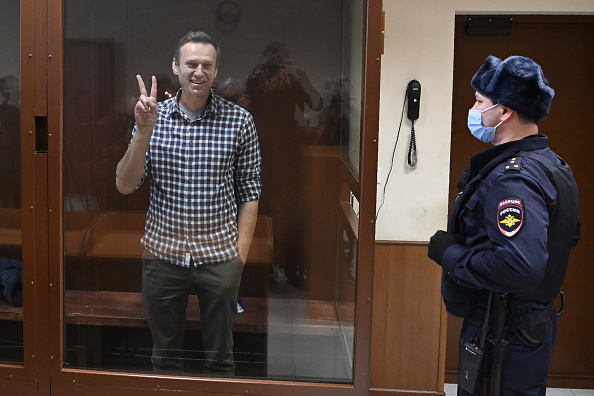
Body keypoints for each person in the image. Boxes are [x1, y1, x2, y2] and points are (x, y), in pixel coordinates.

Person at [427, 55, 580, 395]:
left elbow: (518, 265)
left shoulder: (515, 178)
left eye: (480, 101)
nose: (474, 108)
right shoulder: (551, 165)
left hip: (504, 329)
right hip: (524, 324)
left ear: (504, 111)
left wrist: (451, 254)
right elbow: (567, 235)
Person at [115, 31, 261, 375]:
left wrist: (239, 257)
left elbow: (250, 192)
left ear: (215, 69)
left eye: (206, 65)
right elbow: (124, 184)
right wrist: (143, 132)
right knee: (164, 358)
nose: (199, 71)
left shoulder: (239, 121)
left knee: (220, 358)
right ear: (176, 67)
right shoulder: (152, 118)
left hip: (220, 257)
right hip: (162, 255)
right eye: (191, 63)